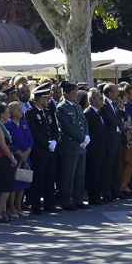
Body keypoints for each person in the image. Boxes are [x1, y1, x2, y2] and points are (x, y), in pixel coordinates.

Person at [55, 82, 88, 211]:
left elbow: (84, 123)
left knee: (80, 174)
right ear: (66, 94)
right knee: (68, 175)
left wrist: (86, 137)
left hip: (80, 146)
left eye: (76, 93)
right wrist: (82, 137)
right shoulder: (61, 108)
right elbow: (67, 127)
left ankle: (78, 199)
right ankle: (66, 200)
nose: (75, 96)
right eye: (73, 93)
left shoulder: (77, 107)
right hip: (69, 145)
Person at [25, 84, 59, 214]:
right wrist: (46, 143)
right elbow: (34, 132)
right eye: (47, 98)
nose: (49, 101)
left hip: (50, 150)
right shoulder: (30, 113)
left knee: (50, 177)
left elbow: (54, 128)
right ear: (41, 99)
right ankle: (36, 204)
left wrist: (54, 140)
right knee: (39, 178)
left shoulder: (48, 112)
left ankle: (49, 203)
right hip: (39, 151)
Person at [5, 102, 33, 216]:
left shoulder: (24, 123)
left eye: (21, 110)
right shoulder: (8, 124)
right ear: (12, 111)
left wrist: (27, 152)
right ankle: (11, 208)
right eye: (18, 110)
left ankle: (18, 207)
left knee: (23, 182)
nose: (21, 112)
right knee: (14, 183)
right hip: (15, 157)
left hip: (25, 157)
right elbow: (8, 142)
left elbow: (30, 139)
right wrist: (18, 152)